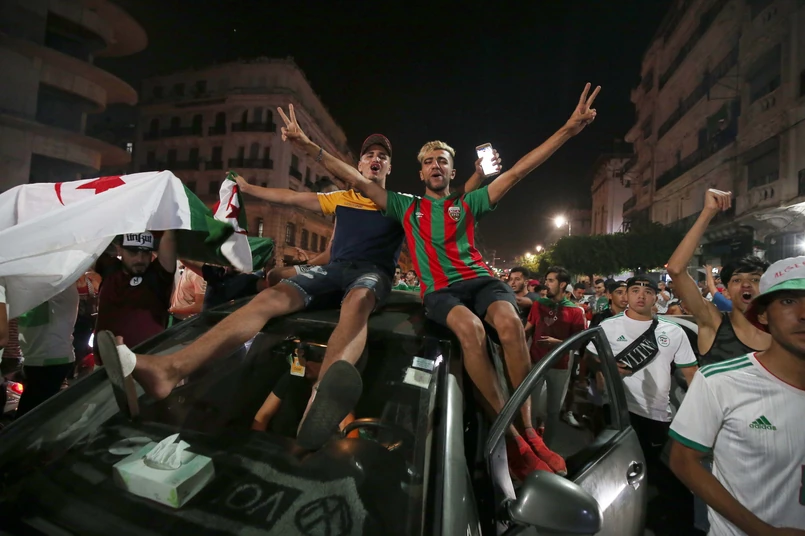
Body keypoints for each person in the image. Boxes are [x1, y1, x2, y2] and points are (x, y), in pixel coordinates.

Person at [342, 82, 601, 479]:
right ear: (420, 172)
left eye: (442, 161)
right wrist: (306, 145)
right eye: (429, 161)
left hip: (481, 280)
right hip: (440, 291)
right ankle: (512, 439)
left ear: (452, 170)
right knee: (470, 329)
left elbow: (519, 171)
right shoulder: (405, 206)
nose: (436, 166)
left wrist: (568, 129)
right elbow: (357, 181)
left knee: (511, 324)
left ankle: (530, 432)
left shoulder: (467, 203)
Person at [98, 128, 406, 450]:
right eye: (369, 155)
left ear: (389, 167)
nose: (376, 159)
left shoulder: (401, 204)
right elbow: (290, 198)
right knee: (269, 297)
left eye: (382, 156)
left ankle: (319, 402)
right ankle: (170, 369)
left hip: (370, 274)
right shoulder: (342, 200)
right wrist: (247, 188)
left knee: (357, 301)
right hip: (334, 270)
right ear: (359, 164)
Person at [669, 256, 805, 536]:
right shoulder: (720, 377)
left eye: (755, 279)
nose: (803, 313)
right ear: (764, 314)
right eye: (788, 301)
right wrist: (762, 531)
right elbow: (683, 460)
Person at [666, 189, 770, 367]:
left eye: (755, 279)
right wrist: (708, 212)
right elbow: (676, 270)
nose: (746, 284)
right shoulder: (714, 324)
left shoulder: (784, 335)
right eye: (737, 280)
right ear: (726, 292)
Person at [524, 266, 586, 446]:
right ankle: (532, 445)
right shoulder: (539, 305)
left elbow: (578, 342)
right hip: (536, 363)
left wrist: (557, 343)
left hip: (559, 365)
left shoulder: (575, 311)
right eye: (546, 280)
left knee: (553, 410)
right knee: (531, 408)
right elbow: (527, 329)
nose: (546, 284)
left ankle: (548, 445)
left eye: (551, 281)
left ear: (562, 284)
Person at [95, 231, 177, 352]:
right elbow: (88, 242)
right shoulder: (110, 269)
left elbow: (169, 237)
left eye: (146, 252)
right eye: (132, 252)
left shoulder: (157, 276)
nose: (140, 259)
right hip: (105, 359)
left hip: (147, 358)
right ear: (119, 250)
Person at [16, 285, 80, 416]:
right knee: (34, 411)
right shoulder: (43, 286)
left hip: (50, 358)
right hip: (37, 358)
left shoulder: (60, 286)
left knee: (31, 416)